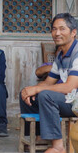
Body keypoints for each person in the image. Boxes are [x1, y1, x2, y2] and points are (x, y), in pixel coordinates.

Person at [20, 13, 78, 153]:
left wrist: (38, 90)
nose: (57, 33)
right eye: (54, 29)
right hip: (69, 99)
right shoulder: (61, 55)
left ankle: (58, 147)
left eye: (62, 29)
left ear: (73, 32)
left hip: (76, 101)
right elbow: (48, 82)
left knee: (46, 95)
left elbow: (70, 87)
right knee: (27, 93)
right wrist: (31, 89)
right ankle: (38, 136)